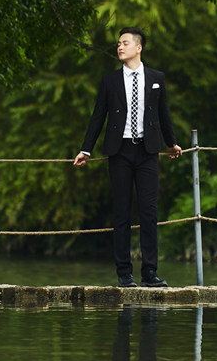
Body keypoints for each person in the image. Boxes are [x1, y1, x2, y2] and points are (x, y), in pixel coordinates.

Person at [74, 28, 182, 288]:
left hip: (148, 152)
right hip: (119, 151)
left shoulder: (157, 78)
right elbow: (98, 115)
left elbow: (163, 114)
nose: (119, 47)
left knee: (149, 213)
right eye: (118, 43)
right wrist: (86, 149)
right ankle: (124, 273)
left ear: (138, 47)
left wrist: (172, 143)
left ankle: (150, 273)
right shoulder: (109, 80)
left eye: (125, 43)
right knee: (121, 213)